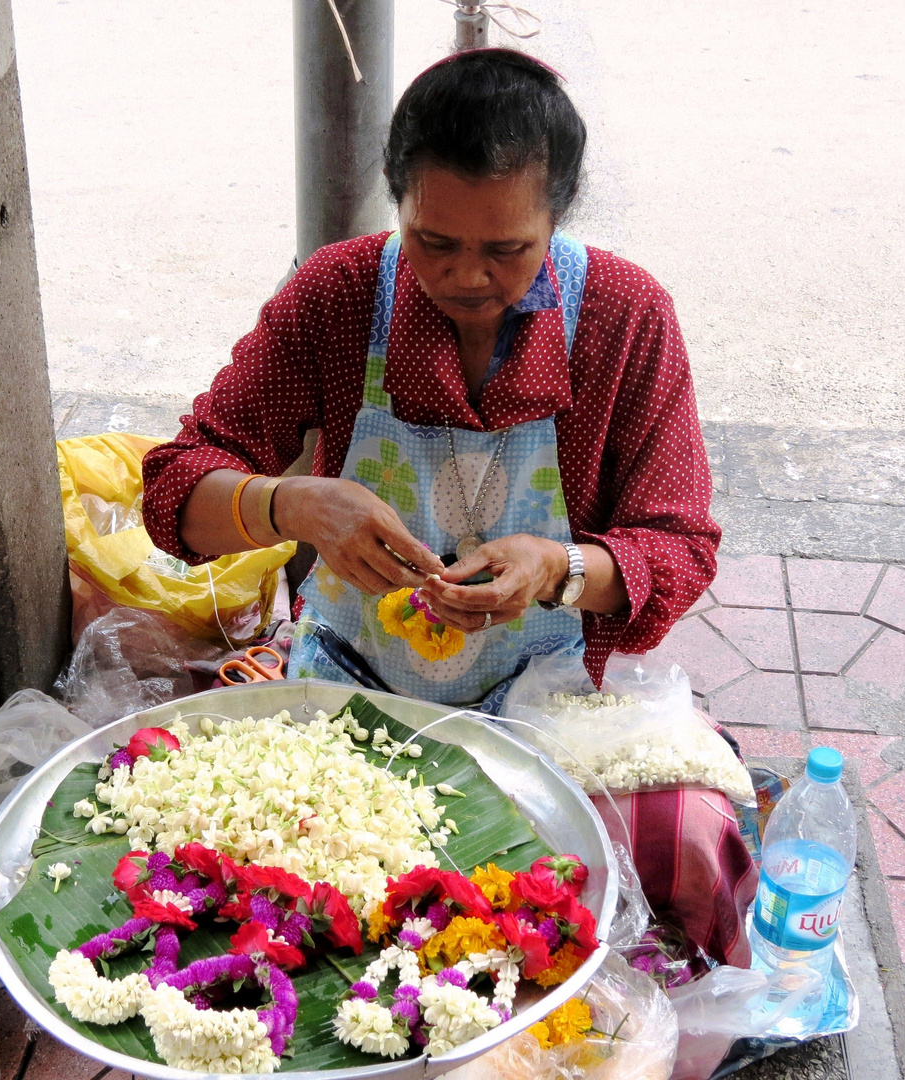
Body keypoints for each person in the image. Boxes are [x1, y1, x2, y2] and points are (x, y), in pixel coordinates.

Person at [142, 48, 757, 966]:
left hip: (546, 700)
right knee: (244, 887)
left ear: (557, 218)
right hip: (348, 684)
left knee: (686, 843)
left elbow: (679, 543)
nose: (469, 276)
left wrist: (559, 570)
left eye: (508, 249)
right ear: (397, 203)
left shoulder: (626, 314)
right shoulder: (341, 296)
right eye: (434, 242)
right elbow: (174, 490)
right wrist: (290, 504)